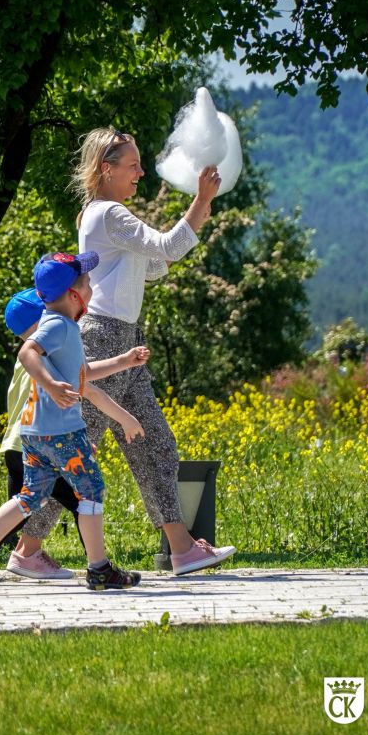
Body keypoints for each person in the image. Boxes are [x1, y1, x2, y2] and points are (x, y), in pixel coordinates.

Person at [75, 127, 236, 576]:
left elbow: (155, 267)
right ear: (106, 169)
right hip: (105, 339)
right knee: (76, 451)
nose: (141, 173)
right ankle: (26, 548)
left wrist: (194, 219)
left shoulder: (106, 215)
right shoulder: (110, 214)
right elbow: (168, 248)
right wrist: (201, 200)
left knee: (155, 443)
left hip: (124, 338)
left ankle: (182, 549)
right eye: (133, 165)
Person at [0, 252, 147, 595]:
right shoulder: (58, 326)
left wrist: (123, 361)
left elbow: (82, 373)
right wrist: (51, 385)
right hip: (60, 430)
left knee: (31, 496)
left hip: (35, 431)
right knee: (91, 490)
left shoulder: (58, 326)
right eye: (87, 283)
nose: (91, 288)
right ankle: (99, 569)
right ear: (74, 295)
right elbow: (26, 353)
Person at [0, 288, 79, 579]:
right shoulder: (46, 358)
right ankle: (101, 567)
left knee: (18, 512)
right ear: (39, 325)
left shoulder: (22, 362)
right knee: (83, 499)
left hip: (14, 446)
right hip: (37, 446)